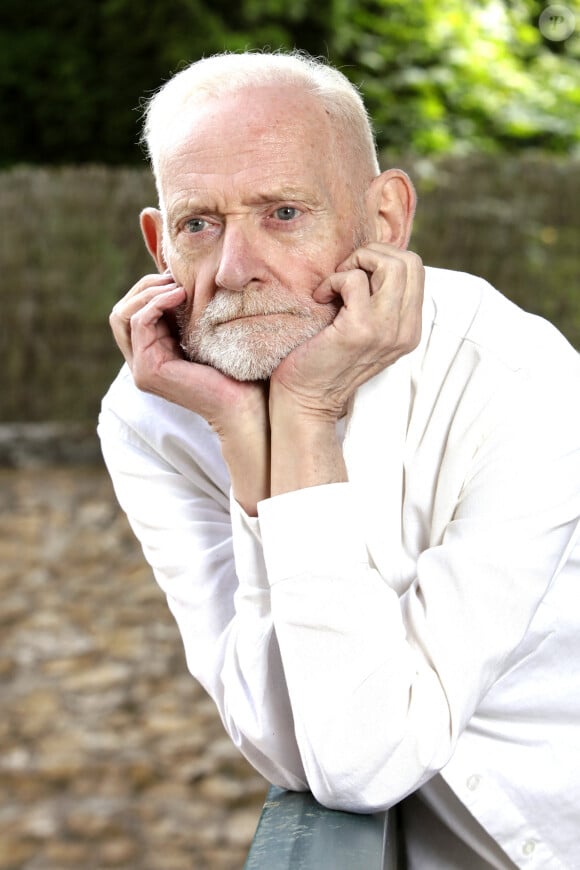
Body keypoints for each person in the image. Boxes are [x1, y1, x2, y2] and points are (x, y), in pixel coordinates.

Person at [98, 50, 580, 869]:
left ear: (385, 219)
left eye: (283, 213)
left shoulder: (523, 381)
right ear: (158, 243)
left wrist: (306, 416)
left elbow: (361, 760)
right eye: (199, 224)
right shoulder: (154, 416)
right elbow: (299, 755)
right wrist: (252, 437)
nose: (236, 270)